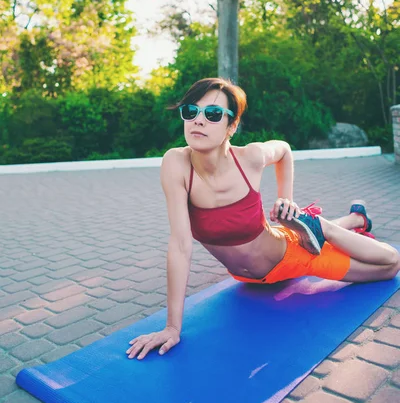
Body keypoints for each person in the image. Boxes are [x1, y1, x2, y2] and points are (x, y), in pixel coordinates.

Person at [126, 77, 400, 360]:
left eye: (213, 114)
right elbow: (180, 246)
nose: (198, 120)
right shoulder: (176, 164)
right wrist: (172, 328)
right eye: (190, 111)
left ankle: (322, 227)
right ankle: (355, 219)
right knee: (300, 233)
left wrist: (287, 199)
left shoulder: (250, 157)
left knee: (389, 265)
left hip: (293, 257)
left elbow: (283, 150)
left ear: (232, 126)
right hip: (252, 279)